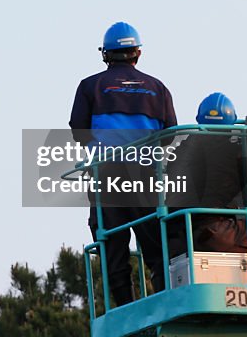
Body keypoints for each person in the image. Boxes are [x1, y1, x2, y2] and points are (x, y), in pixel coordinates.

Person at [70, 22, 177, 306]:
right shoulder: (159, 88)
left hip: (106, 178)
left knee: (113, 247)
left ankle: (126, 308)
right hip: (146, 178)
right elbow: (169, 135)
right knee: (156, 246)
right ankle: (167, 301)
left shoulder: (89, 86)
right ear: (137, 53)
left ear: (106, 54)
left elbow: (78, 130)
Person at [167, 93, 247, 285]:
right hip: (214, 230)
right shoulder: (234, 150)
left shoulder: (181, 150)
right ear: (231, 121)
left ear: (199, 120)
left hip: (182, 235)